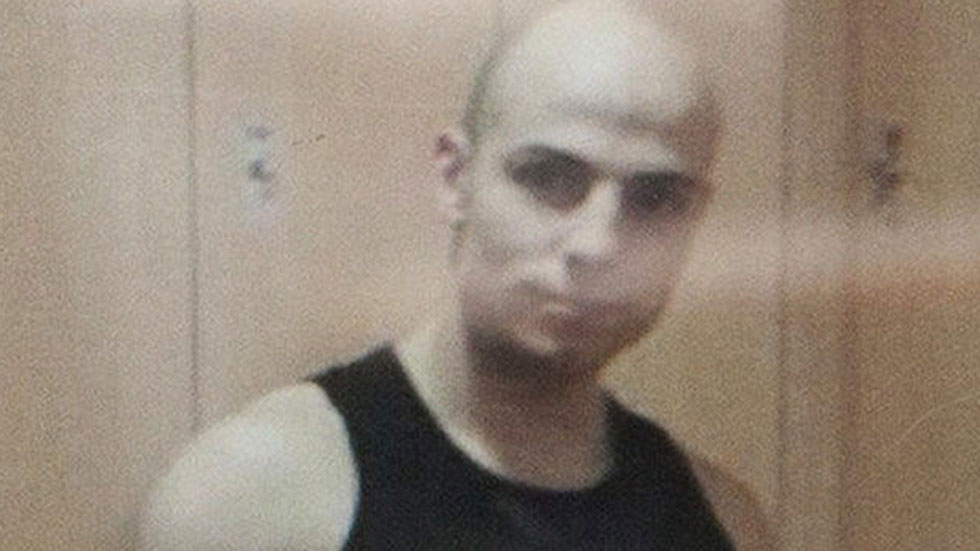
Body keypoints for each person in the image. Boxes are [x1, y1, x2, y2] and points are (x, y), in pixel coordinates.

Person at [142, 1, 774, 549]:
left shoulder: (725, 523)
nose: (599, 244)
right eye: (550, 177)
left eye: (656, 198)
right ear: (455, 178)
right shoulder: (259, 497)